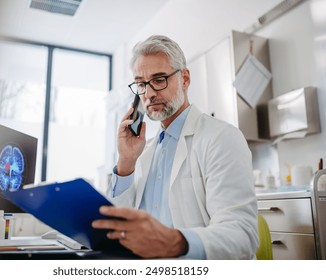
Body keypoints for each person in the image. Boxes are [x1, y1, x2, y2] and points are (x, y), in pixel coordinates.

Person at [92, 35, 259, 259]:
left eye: (159, 79)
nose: (149, 94)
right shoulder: (143, 152)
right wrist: (126, 162)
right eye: (141, 84)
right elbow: (116, 225)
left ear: (185, 79)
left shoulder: (222, 138)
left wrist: (173, 242)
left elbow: (242, 235)